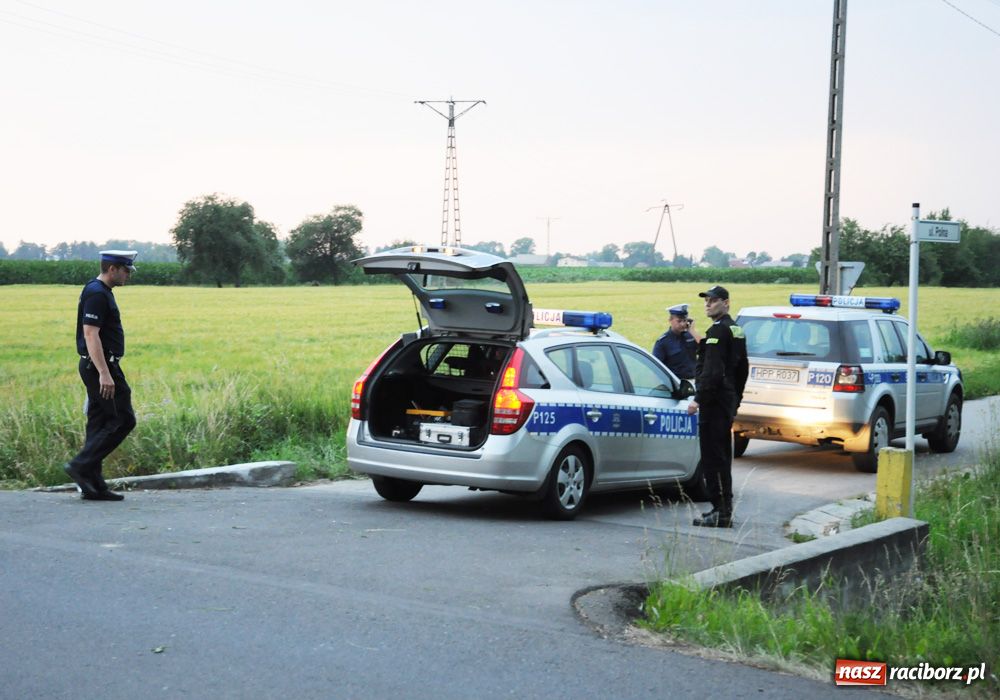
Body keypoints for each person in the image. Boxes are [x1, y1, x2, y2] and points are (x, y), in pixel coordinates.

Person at [63, 250, 139, 501]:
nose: (128, 275)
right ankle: (81, 465)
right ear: (113, 269)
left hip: (98, 366)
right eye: (126, 270)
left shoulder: (100, 291)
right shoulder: (97, 293)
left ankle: (93, 485)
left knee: (98, 424)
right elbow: (90, 334)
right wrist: (105, 374)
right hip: (100, 367)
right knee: (123, 419)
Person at [686, 285, 748, 528]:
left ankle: (719, 512)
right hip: (726, 401)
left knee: (713, 458)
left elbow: (711, 371)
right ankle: (724, 510)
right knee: (723, 458)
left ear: (726, 303)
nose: (708, 304)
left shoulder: (718, 331)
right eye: (706, 301)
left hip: (713, 404)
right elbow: (743, 368)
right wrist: (736, 400)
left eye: (713, 301)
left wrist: (698, 400)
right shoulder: (736, 329)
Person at [651, 303, 701, 381]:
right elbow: (656, 368)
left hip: (694, 380)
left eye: (685, 320)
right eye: (679, 321)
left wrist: (693, 331)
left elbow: (706, 349)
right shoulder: (663, 342)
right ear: (670, 320)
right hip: (677, 383)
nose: (682, 324)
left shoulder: (691, 336)